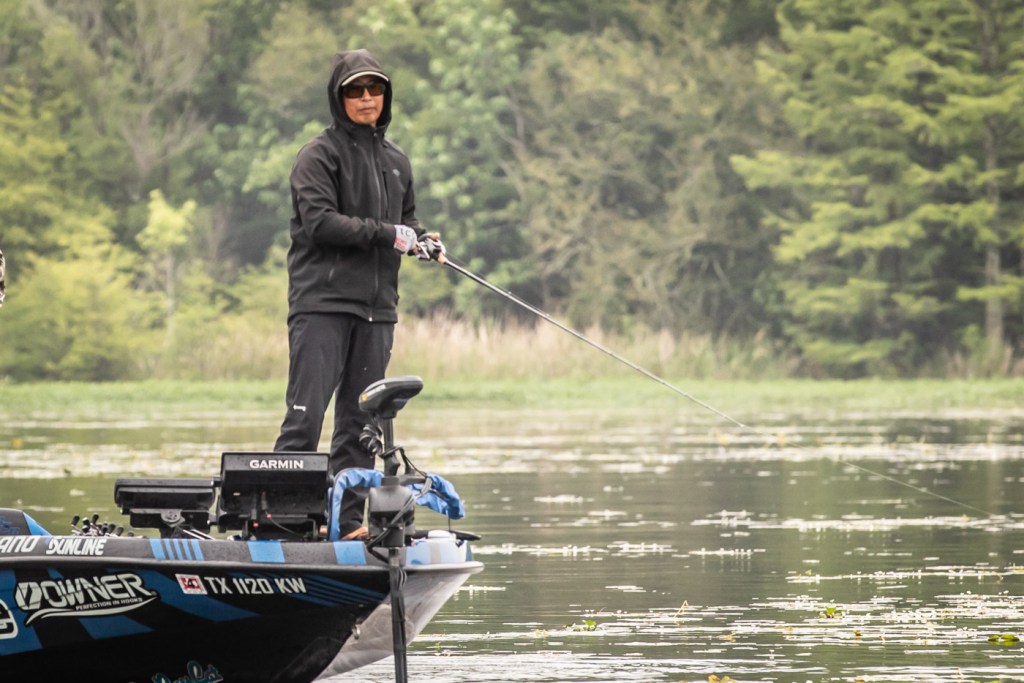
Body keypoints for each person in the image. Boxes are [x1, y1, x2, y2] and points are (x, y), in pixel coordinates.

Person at [273, 49, 444, 539]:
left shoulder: (397, 161)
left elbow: (406, 222)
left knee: (359, 426)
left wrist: (422, 240)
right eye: (355, 90)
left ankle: (346, 525)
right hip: (322, 306)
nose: (367, 98)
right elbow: (321, 223)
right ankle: (284, 528)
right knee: (305, 421)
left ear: (386, 95)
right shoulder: (317, 156)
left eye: (375, 89)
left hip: (378, 311)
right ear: (339, 97)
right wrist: (389, 234)